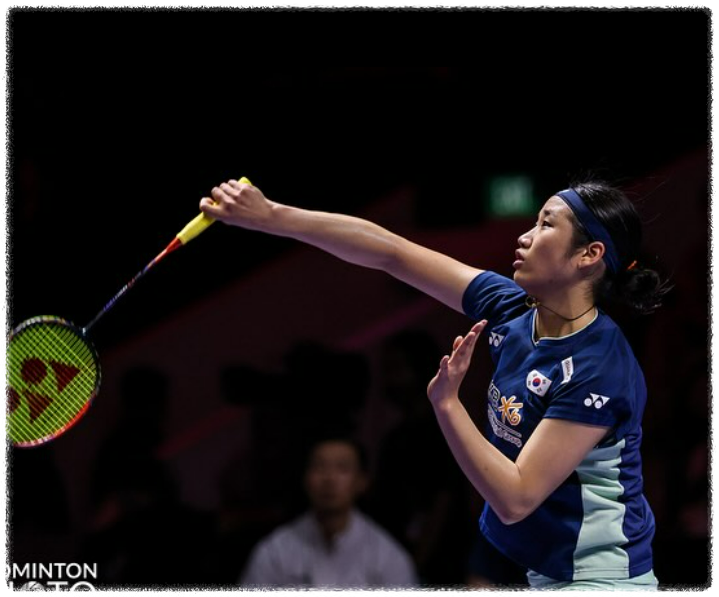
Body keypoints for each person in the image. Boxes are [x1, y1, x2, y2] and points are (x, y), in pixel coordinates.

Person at [201, 177, 667, 589]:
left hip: (601, 578)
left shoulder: (599, 365)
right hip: (541, 568)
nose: (525, 236)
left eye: (546, 225)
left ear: (589, 255)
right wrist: (272, 216)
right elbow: (391, 252)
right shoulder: (511, 309)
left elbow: (515, 497)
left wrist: (447, 404)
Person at [239, 437, 417, 588]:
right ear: (306, 478)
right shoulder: (275, 552)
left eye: (342, 469)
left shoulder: (387, 556)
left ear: (361, 482)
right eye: (320, 467)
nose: (329, 479)